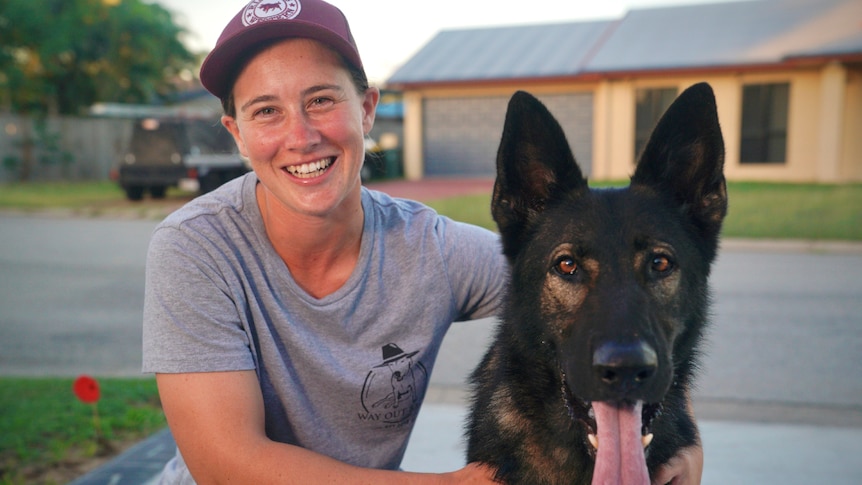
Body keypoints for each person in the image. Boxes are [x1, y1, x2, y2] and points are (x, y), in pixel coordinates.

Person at [142, 1, 703, 483]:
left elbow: (613, 302)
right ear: (236, 133)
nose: (301, 135)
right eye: (266, 111)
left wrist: (681, 432)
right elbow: (224, 465)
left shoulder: (430, 248)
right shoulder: (197, 249)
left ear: (366, 109)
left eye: (321, 100)